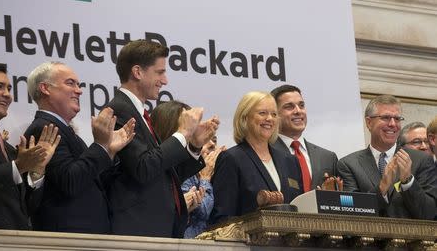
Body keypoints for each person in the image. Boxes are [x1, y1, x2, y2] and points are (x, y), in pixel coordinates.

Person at [106, 39, 219, 238]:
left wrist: (194, 145)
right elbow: (143, 168)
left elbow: (163, 174)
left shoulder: (139, 112)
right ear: (138, 72)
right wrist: (183, 132)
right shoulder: (120, 110)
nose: (165, 81)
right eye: (160, 72)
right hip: (138, 231)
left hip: (158, 230)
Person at [24, 62, 135, 234]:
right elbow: (70, 181)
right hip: (68, 237)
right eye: (70, 83)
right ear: (45, 88)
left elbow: (88, 180)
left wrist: (109, 151)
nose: (79, 90)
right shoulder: (44, 129)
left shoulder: (64, 130)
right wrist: (100, 146)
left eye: (78, 84)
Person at [209, 91, 303, 225]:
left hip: (291, 244)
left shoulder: (290, 161)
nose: (269, 119)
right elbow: (223, 217)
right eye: (262, 113)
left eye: (274, 114)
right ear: (245, 118)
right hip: (250, 244)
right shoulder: (231, 159)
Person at [337, 95, 437, 220]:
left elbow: (429, 214)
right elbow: (351, 213)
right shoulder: (348, 164)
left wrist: (408, 182)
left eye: (397, 118)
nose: (392, 124)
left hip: (411, 238)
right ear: (369, 122)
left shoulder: (421, 160)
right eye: (385, 118)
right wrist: (382, 187)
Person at [0, 62, 60, 230]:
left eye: (9, 88)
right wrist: (18, 166)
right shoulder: (14, 158)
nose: (7, 95)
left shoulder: (8, 149)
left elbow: (28, 207)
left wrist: (37, 171)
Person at [151, 100, 225, 238]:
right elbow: (202, 210)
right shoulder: (171, 164)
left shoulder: (194, 163)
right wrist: (205, 180)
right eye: (189, 126)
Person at [270, 85, 338, 191]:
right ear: (274, 114)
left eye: (301, 105)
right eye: (289, 107)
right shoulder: (266, 152)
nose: (298, 111)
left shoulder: (328, 157)